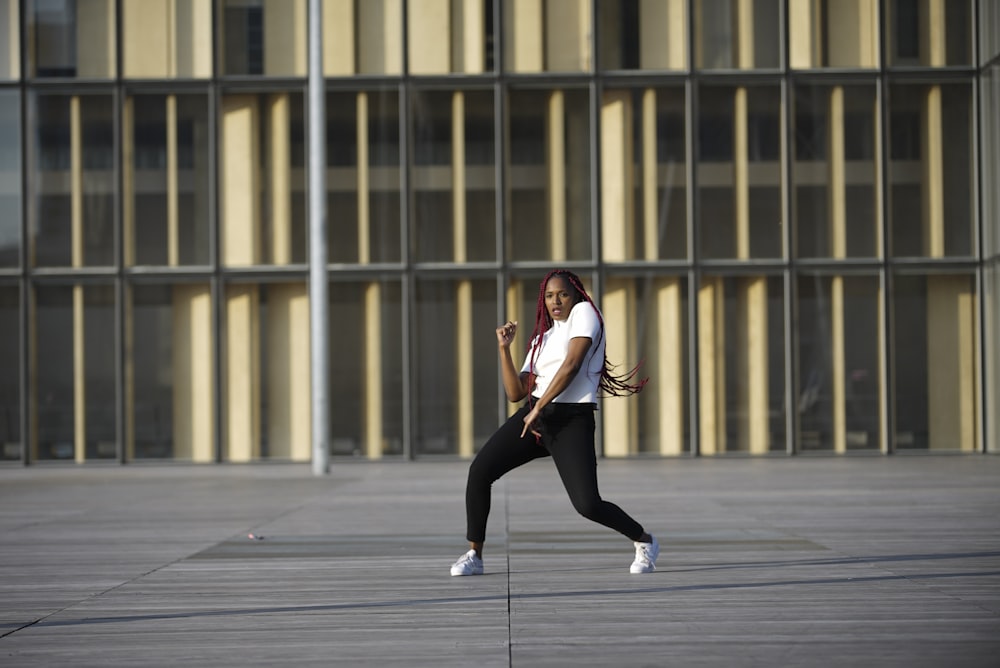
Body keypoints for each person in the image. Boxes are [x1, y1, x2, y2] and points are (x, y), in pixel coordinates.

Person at [450, 269, 659, 576]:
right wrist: (504, 349)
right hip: (535, 417)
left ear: (575, 293)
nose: (556, 300)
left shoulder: (586, 313)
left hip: (571, 420)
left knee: (587, 505)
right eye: (549, 296)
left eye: (562, 293)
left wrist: (539, 407)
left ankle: (644, 540)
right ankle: (474, 555)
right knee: (480, 472)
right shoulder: (542, 339)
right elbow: (515, 392)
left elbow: (572, 365)